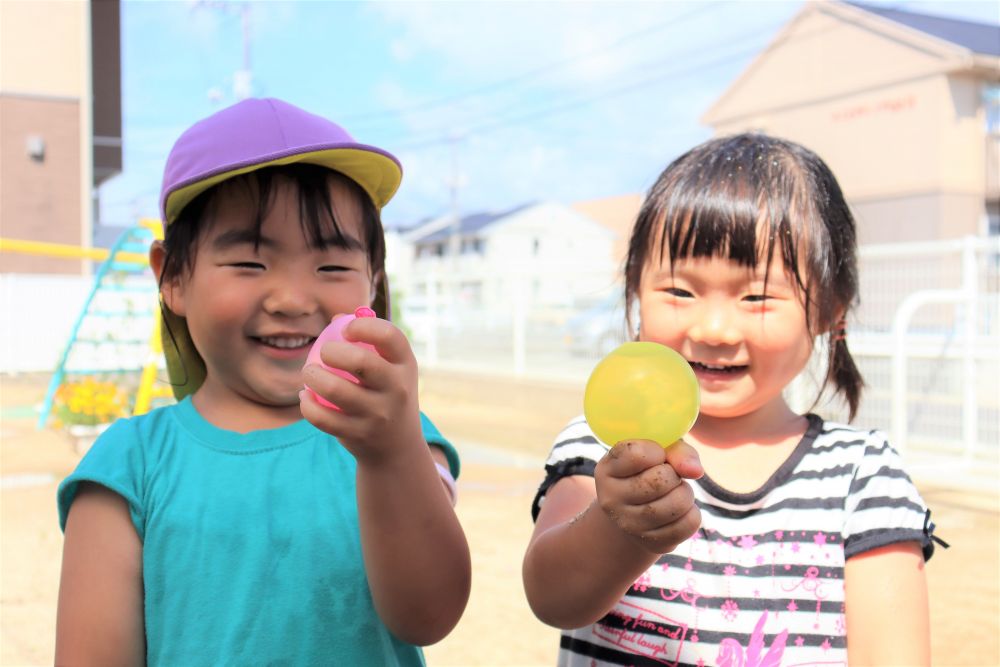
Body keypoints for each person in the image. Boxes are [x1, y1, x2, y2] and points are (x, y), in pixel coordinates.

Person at [55, 98, 471, 665]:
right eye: (250, 262)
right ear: (171, 277)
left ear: (372, 283)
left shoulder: (399, 437)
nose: (293, 299)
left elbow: (429, 615)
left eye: (332, 267)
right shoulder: (130, 464)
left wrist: (391, 453)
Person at [523, 134, 942, 666]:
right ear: (634, 289)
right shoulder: (602, 446)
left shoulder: (862, 475)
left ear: (830, 310)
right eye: (680, 291)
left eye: (757, 297)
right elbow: (553, 598)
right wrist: (618, 526)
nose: (715, 328)